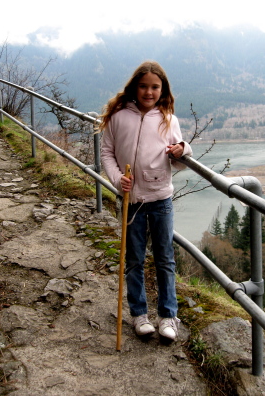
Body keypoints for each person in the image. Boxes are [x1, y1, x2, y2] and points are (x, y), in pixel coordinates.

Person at [100, 61, 192, 341]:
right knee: (134, 260)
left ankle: (168, 316)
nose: (148, 92)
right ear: (134, 87)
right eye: (143, 86)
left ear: (162, 89)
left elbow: (179, 160)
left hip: (161, 198)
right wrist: (118, 180)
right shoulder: (118, 116)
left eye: (154, 87)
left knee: (165, 259)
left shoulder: (168, 118)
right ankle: (139, 314)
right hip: (131, 200)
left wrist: (182, 149)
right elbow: (107, 153)